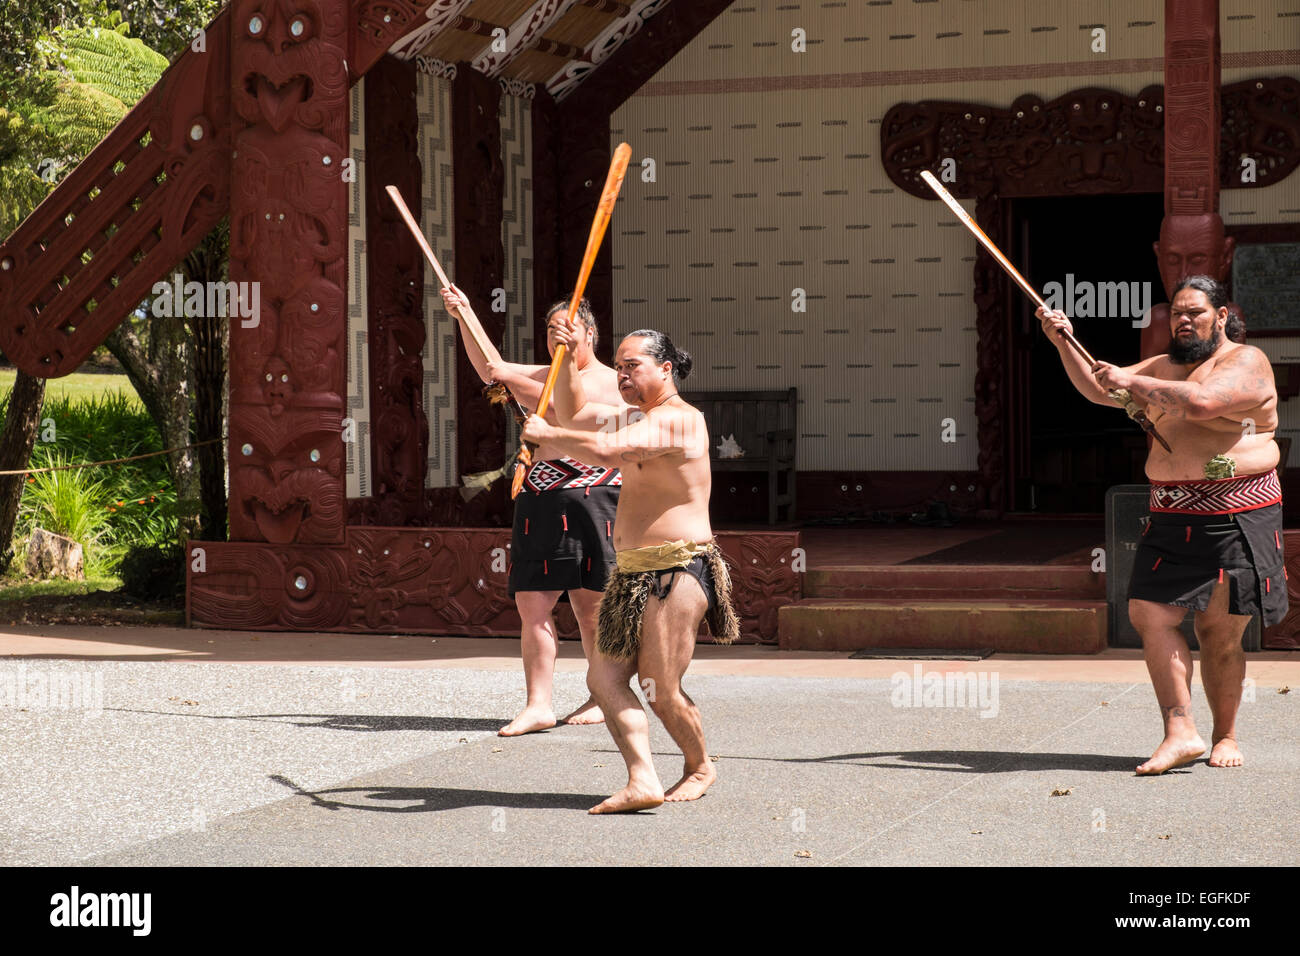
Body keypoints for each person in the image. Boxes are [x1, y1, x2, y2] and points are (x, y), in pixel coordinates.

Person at [1038, 274, 1285, 774]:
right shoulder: (1163, 366)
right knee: (1149, 613)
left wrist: (1132, 382)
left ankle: (1225, 733)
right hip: (1172, 512)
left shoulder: (1247, 361)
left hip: (1235, 512)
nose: (1183, 321)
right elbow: (1102, 389)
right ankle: (1180, 731)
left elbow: (1203, 403)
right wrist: (1063, 342)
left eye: (1195, 312)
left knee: (1218, 630)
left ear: (1221, 316)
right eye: (1176, 313)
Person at [521, 324, 739, 813]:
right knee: (603, 680)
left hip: (678, 568)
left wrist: (548, 435)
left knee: (660, 687)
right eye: (618, 367)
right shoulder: (633, 417)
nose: (622, 375)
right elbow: (574, 412)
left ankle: (699, 766)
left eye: (632, 366)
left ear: (665, 368)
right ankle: (642, 780)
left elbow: (606, 451)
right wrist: (569, 353)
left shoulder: (680, 421)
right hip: (631, 572)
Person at [440, 285, 623, 735]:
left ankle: (603, 695)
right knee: (532, 603)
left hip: (597, 495)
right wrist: (465, 314)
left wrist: (508, 376)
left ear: (590, 334)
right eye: (551, 329)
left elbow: (565, 411)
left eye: (566, 329)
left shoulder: (615, 382)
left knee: (592, 607)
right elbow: (490, 368)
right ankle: (538, 703)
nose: (556, 336)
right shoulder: (543, 373)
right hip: (540, 495)